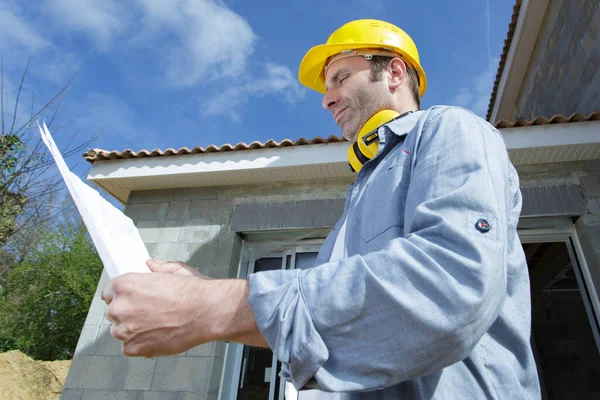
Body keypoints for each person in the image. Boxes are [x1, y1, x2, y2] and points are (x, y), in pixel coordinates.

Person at [102, 19, 541, 399]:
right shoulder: (358, 198)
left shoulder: (451, 129)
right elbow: (329, 327)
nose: (326, 99)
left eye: (340, 77)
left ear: (393, 71)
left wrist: (209, 305)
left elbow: (450, 285)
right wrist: (205, 288)